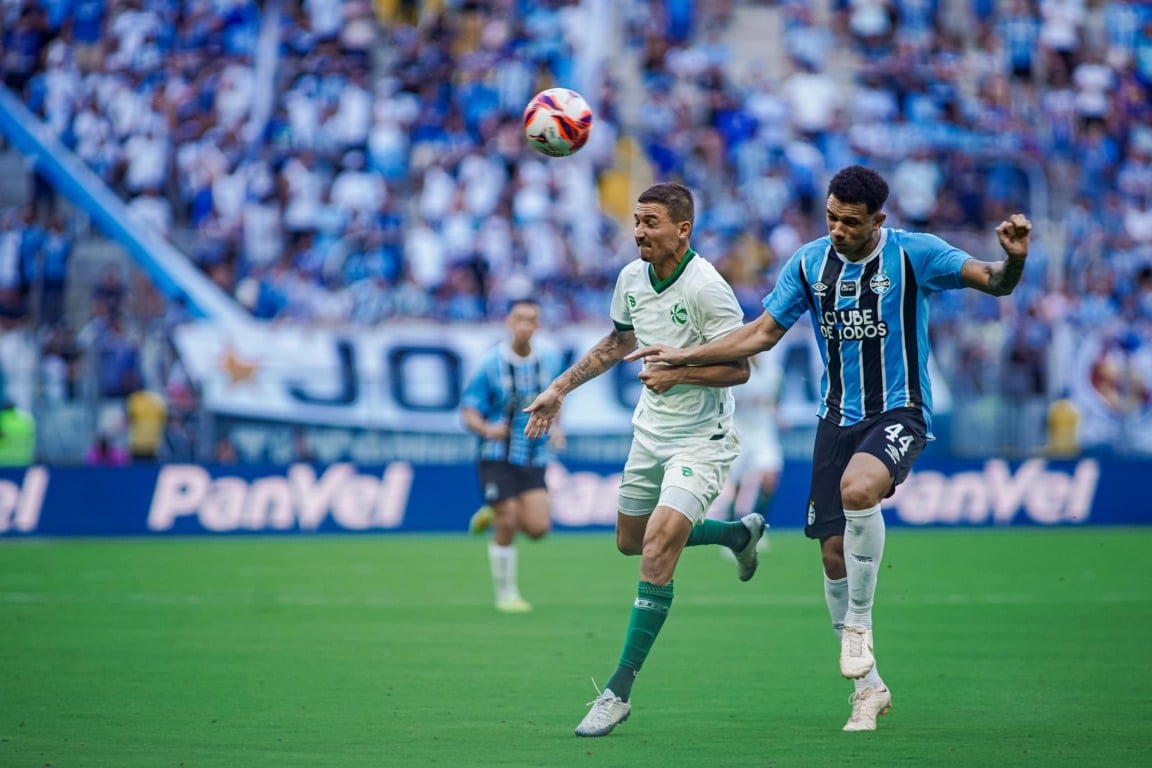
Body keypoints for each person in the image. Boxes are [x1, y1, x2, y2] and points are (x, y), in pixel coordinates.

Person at [628, 165, 1032, 732]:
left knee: (859, 488)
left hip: (899, 410)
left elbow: (993, 280)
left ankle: (859, 624)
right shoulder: (809, 263)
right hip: (835, 418)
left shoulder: (915, 254)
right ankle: (869, 689)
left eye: (851, 222)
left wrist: (1013, 261)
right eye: (831, 218)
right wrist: (683, 356)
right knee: (833, 556)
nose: (839, 230)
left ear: (878, 220)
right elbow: (761, 333)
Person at [522, 183, 766, 737]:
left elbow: (740, 368)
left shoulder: (707, 288)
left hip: (701, 439)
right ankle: (736, 535)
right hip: (648, 433)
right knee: (630, 541)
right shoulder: (632, 278)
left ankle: (617, 691)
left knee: (656, 547)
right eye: (636, 221)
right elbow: (617, 343)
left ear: (683, 228)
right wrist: (559, 389)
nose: (638, 232)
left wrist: (679, 373)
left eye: (650, 222)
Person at [460, 298, 566, 614]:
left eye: (531, 320)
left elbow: (557, 399)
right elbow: (468, 410)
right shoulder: (490, 364)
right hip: (496, 454)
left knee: (537, 528)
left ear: (537, 325)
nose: (524, 325)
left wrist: (557, 428)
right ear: (508, 322)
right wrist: (486, 429)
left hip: (533, 455)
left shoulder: (549, 361)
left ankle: (491, 511)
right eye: (519, 318)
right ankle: (506, 595)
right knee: (507, 521)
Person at [711, 350, 784, 537]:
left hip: (764, 432)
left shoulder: (773, 372)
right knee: (735, 485)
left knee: (769, 478)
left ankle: (757, 526)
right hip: (737, 432)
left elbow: (774, 400)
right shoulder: (732, 373)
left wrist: (779, 416)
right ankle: (734, 529)